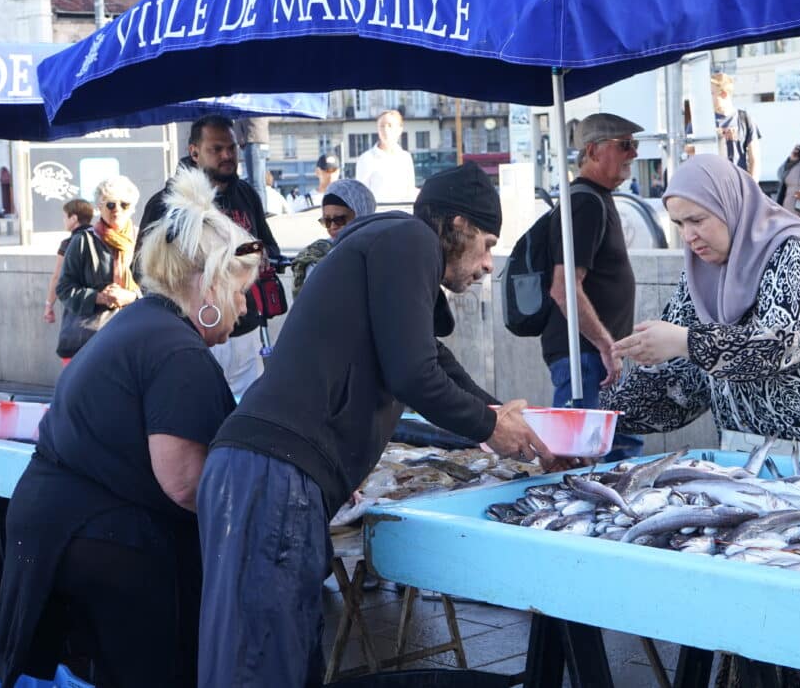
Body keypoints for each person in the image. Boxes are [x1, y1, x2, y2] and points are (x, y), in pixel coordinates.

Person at [197, 162, 554, 687]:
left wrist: (505, 419)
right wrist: (489, 426)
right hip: (274, 470)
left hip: (264, 469)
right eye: (487, 244)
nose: (486, 265)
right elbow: (414, 374)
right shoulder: (409, 239)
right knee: (262, 662)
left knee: (270, 655)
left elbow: (432, 358)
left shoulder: (391, 247)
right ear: (457, 225)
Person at [0, 169, 262, 688]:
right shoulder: (176, 348)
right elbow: (184, 483)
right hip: (105, 541)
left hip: (60, 527)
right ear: (209, 286)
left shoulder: (141, 324)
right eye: (239, 290)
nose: (244, 306)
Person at [604, 154, 800, 467]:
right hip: (765, 459)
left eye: (697, 220)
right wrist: (602, 420)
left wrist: (685, 342)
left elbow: (778, 345)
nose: (688, 236)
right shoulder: (699, 274)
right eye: (679, 224)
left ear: (729, 206)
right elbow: (683, 387)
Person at [139, 116, 281, 398]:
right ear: (194, 151)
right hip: (192, 331)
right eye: (216, 149)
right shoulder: (167, 203)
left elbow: (268, 247)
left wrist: (253, 256)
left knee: (247, 410)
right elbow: (145, 271)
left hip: (245, 329)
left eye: (232, 147)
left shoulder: (247, 195)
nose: (227, 155)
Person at [541, 113, 644, 460]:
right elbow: (564, 287)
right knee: (582, 456)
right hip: (584, 355)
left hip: (593, 355)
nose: (633, 154)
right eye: (625, 145)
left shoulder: (593, 198)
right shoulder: (585, 202)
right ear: (593, 151)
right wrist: (604, 344)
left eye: (635, 145)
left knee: (616, 451)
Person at [56, 177, 142, 360]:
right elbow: (64, 288)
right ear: (100, 207)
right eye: (110, 205)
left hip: (136, 334)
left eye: (124, 205)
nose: (117, 210)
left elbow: (161, 288)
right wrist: (99, 297)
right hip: (91, 338)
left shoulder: (143, 240)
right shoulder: (83, 241)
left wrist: (132, 296)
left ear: (132, 208)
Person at [291, 178, 376, 298]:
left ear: (361, 214)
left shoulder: (380, 251)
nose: (332, 226)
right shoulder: (317, 256)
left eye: (339, 219)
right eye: (327, 220)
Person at [43, 199, 95, 325]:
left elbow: (57, 276)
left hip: (79, 304)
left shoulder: (69, 243)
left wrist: (49, 305)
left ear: (74, 218)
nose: (64, 221)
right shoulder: (101, 237)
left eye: (65, 217)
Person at [354, 109, 417, 204]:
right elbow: (361, 195)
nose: (385, 130)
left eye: (390, 125)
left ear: (400, 129)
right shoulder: (366, 159)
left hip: (403, 214)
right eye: (382, 126)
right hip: (378, 215)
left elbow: (410, 190)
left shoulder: (405, 157)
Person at [709, 72, 762, 181]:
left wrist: (752, 189)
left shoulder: (745, 119)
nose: (707, 98)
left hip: (739, 185)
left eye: (711, 93)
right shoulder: (703, 122)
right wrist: (718, 136)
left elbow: (754, 159)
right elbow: (688, 149)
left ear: (723, 94)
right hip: (712, 186)